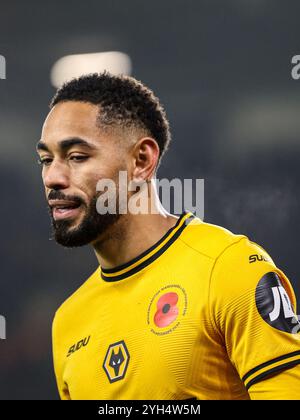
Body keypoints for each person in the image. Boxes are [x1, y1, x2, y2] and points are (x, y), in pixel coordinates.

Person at [36, 72, 300, 400]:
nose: (52, 177)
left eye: (76, 157)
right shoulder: (68, 321)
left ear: (142, 161)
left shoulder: (228, 269)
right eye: (46, 160)